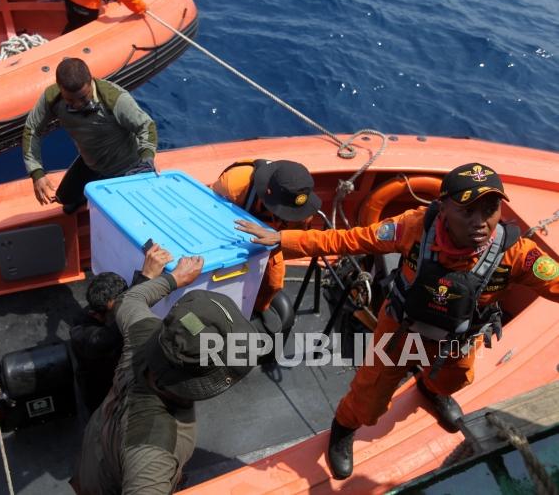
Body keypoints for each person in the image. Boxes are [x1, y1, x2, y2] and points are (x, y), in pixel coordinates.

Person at [236, 162, 559, 480]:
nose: (481, 222)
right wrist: (285, 240)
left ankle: (431, 388)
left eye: (489, 209)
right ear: (443, 206)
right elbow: (350, 240)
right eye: (467, 210)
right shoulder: (414, 227)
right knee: (368, 399)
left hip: (455, 341)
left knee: (454, 380)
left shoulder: (517, 253)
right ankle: (344, 427)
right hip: (400, 334)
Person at [71, 255, 257, 493]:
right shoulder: (153, 449)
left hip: (97, 445)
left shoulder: (142, 335)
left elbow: (130, 299)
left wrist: (175, 278)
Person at [22, 57, 157, 213]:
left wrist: (147, 159)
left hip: (127, 167)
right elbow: (32, 129)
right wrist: (36, 173)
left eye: (83, 98)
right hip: (92, 163)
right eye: (70, 101)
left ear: (91, 81)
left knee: (117, 213)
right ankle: (87, 193)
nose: (78, 105)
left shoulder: (115, 99)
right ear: (60, 88)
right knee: (65, 199)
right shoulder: (52, 97)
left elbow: (146, 126)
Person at [212, 159, 321, 334]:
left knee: (273, 281)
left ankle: (258, 308)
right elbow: (212, 217)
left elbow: (294, 239)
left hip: (270, 240)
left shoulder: (304, 211)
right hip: (230, 233)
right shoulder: (234, 185)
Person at [71, 242, 173, 413]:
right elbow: (104, 339)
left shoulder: (114, 308)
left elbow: (128, 300)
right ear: (97, 315)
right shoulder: (83, 335)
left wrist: (145, 277)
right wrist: (146, 279)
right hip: (102, 394)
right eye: (117, 311)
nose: (125, 311)